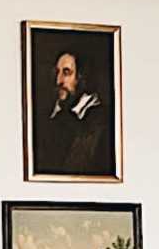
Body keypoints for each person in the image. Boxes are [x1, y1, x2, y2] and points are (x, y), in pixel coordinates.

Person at [31, 43, 110, 178]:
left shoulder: (101, 120)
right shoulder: (50, 118)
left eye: (66, 73)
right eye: (57, 73)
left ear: (81, 77)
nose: (58, 81)